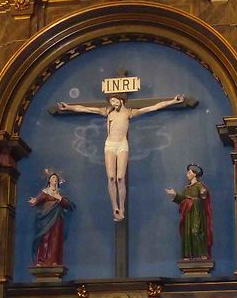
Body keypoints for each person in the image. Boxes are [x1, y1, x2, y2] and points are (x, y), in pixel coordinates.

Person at [57, 92, 184, 221]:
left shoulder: (129, 112)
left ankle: (121, 208)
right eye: (111, 101)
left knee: (120, 178)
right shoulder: (107, 111)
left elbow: (153, 107)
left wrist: (173, 101)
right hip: (110, 145)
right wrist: (68, 107)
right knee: (111, 177)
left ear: (121, 100)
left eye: (115, 101)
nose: (113, 103)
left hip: (122, 145)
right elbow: (85, 109)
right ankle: (115, 208)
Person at [165, 164, 213, 260]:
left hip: (196, 211)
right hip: (188, 212)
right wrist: (175, 194)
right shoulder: (187, 188)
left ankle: (202, 253)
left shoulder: (199, 185)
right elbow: (182, 199)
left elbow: (203, 194)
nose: (187, 174)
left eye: (189, 172)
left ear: (194, 174)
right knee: (187, 233)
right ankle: (188, 254)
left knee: (196, 231)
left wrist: (203, 193)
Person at [29, 172, 74, 267]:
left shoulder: (60, 193)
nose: (55, 179)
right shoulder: (45, 192)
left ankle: (54, 260)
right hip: (46, 219)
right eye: (53, 177)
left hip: (57, 219)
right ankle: (41, 261)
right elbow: (37, 200)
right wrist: (34, 201)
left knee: (55, 238)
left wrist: (60, 199)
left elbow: (70, 205)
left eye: (56, 178)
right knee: (45, 238)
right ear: (49, 180)